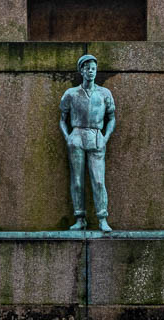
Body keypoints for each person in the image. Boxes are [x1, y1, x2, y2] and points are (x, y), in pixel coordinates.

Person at [60, 54, 115, 231]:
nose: (91, 71)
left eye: (93, 68)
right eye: (87, 68)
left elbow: (112, 117)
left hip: (97, 136)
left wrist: (105, 137)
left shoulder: (105, 93)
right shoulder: (71, 94)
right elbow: (62, 119)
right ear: (81, 71)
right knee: (77, 180)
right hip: (77, 135)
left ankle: (102, 217)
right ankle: (80, 217)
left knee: (98, 180)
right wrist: (68, 136)